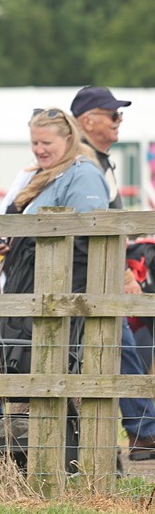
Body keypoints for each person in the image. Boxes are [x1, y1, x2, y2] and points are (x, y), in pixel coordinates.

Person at [70, 87, 155, 460]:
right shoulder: (83, 161)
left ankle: (141, 432)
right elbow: (92, 228)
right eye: (114, 115)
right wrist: (122, 274)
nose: (120, 122)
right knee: (120, 348)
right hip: (86, 277)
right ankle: (142, 433)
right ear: (89, 121)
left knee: (125, 348)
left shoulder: (97, 159)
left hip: (95, 273)